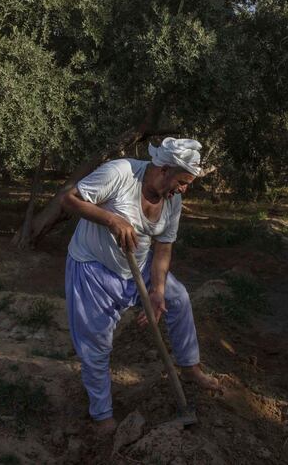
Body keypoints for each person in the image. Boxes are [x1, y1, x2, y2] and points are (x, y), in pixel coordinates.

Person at [61, 137, 221, 435]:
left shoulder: (173, 202)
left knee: (178, 297)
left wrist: (158, 289)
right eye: (183, 181)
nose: (184, 189)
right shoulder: (120, 173)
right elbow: (68, 198)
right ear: (163, 169)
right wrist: (111, 220)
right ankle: (102, 416)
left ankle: (189, 368)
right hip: (93, 267)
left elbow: (163, 247)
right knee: (95, 345)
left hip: (140, 265)